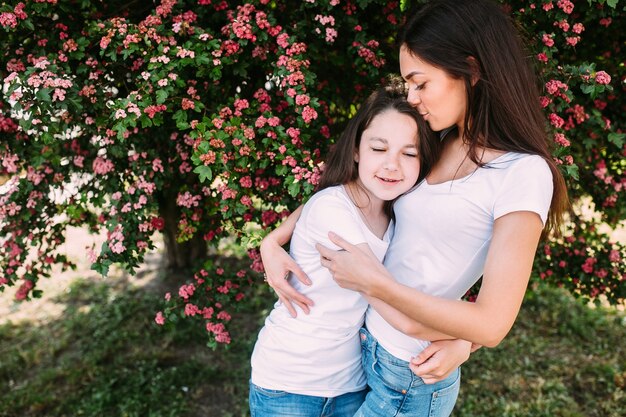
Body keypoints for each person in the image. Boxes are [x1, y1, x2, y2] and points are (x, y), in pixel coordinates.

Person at [260, 0, 570, 416]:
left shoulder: (523, 173)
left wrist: (461, 337)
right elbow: (361, 191)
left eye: (420, 83)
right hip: (363, 356)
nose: (412, 97)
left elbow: (495, 320)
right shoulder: (437, 140)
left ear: (472, 70)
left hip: (412, 373)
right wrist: (275, 239)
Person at [249, 82, 440, 417]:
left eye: (409, 153)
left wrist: (273, 238)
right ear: (356, 151)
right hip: (289, 383)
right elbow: (391, 303)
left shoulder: (398, 213)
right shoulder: (332, 209)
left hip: (351, 382)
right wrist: (464, 337)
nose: (392, 165)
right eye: (378, 149)